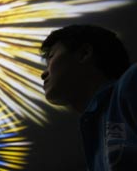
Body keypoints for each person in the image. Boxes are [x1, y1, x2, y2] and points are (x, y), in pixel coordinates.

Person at [40, 24, 137, 171]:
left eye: (51, 57)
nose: (43, 74)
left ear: (84, 53)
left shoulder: (132, 82)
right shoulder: (96, 136)